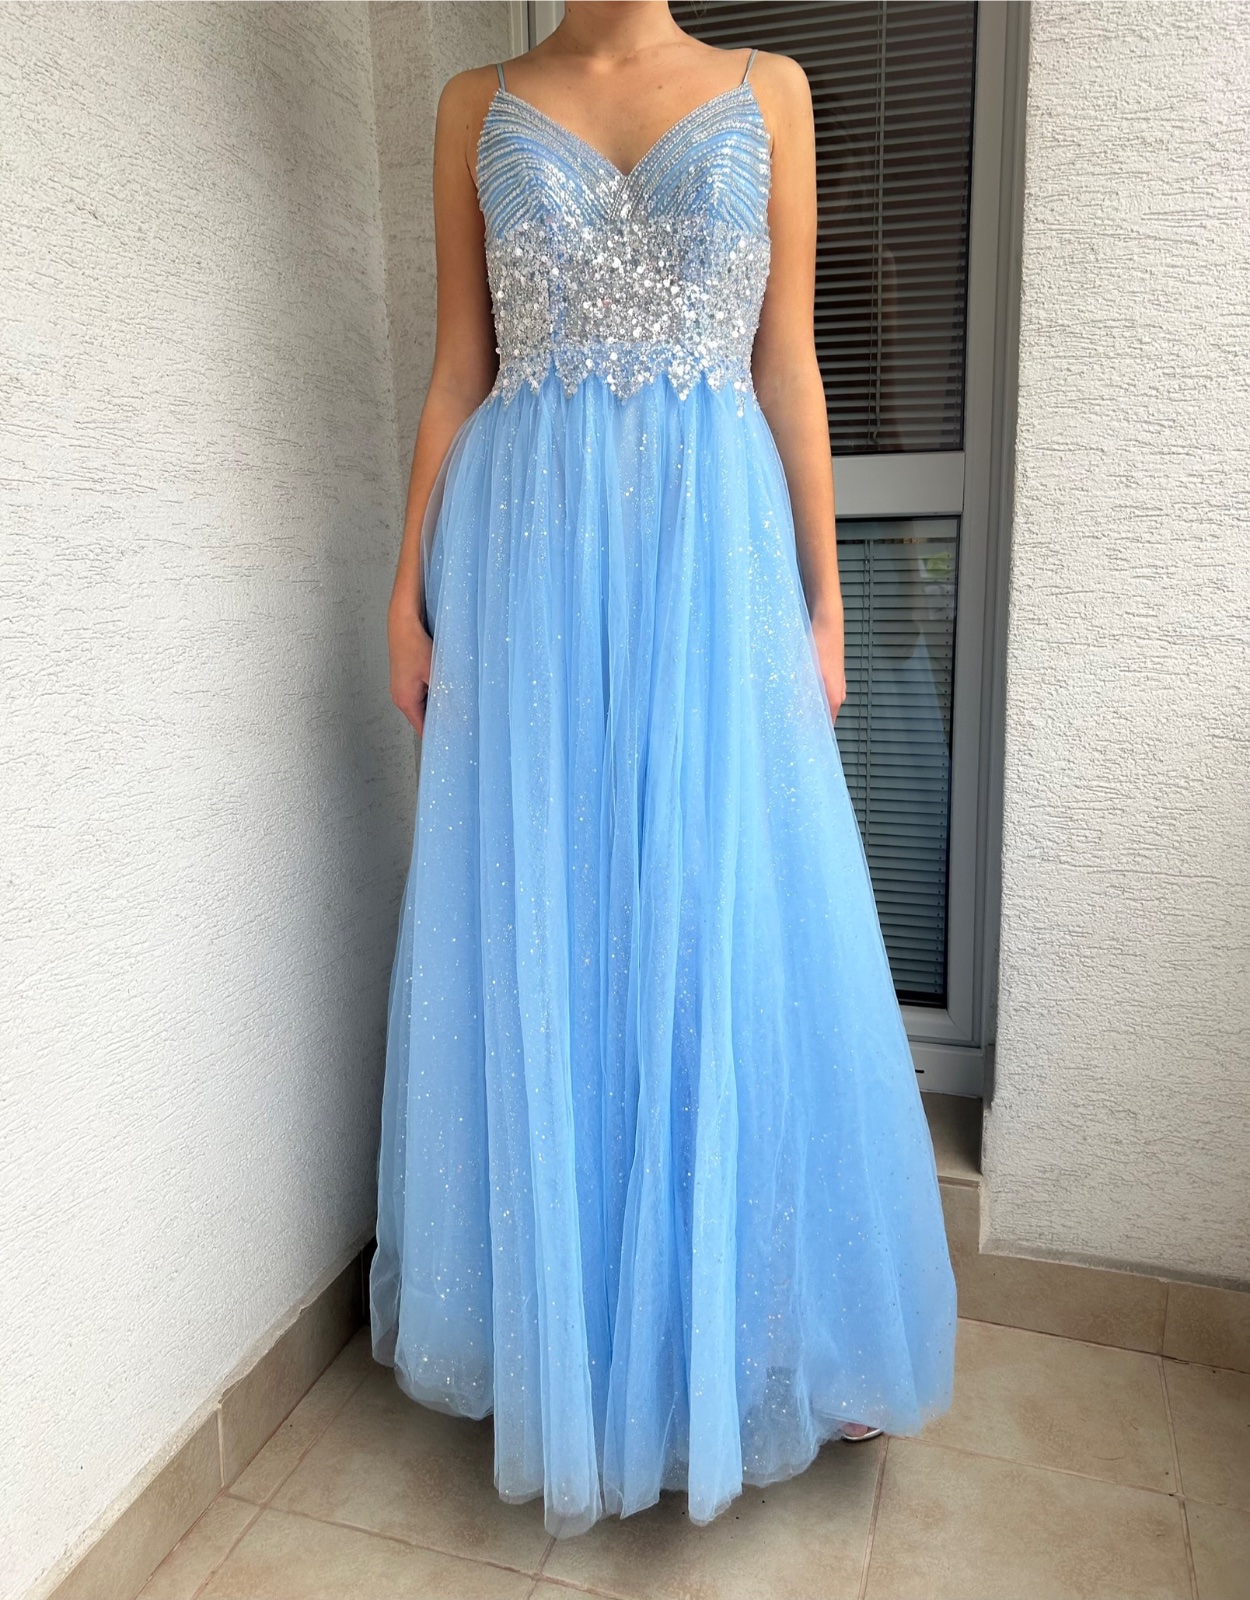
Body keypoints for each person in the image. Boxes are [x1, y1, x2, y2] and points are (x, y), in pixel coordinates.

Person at [370, 1, 956, 1539]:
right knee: (558, 913)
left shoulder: (774, 92)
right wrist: (406, 588)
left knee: (722, 906)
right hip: (526, 565)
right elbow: (457, 369)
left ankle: (749, 1332)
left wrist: (825, 604)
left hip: (713, 556)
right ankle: (572, 1336)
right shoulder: (474, 101)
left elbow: (788, 368)